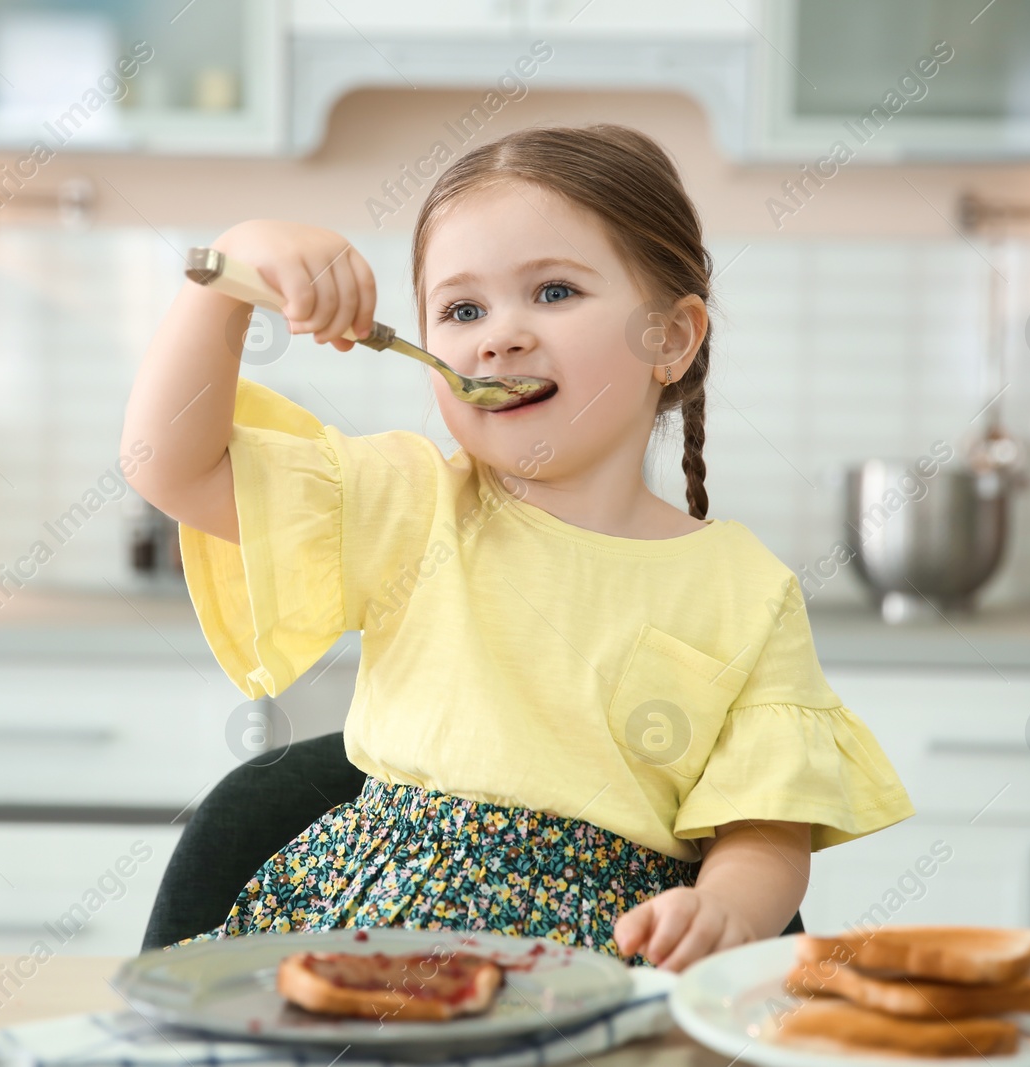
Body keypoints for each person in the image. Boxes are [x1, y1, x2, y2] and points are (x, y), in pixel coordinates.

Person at [121, 123, 914, 973]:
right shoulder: (409, 501)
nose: (498, 336)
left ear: (672, 338)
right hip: (374, 944)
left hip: (605, 964)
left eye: (555, 291)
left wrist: (722, 908)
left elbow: (767, 825)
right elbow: (164, 461)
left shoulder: (747, 589)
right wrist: (232, 271)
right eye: (463, 310)